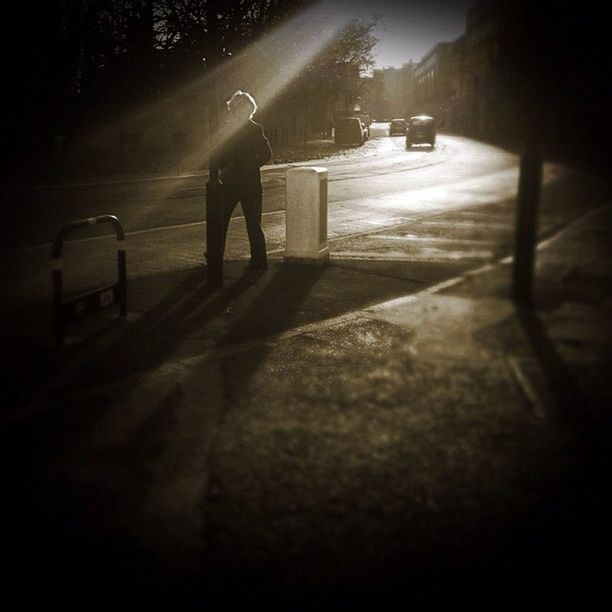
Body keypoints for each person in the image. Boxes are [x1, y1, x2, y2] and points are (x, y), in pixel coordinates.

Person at [215, 90, 272, 272]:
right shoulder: (230, 130)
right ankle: (219, 256)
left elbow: (266, 154)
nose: (240, 112)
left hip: (245, 183)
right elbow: (221, 156)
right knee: (223, 221)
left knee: (251, 224)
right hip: (235, 183)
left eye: (243, 108)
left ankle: (258, 261)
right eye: (237, 108)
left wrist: (249, 165)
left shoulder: (254, 129)